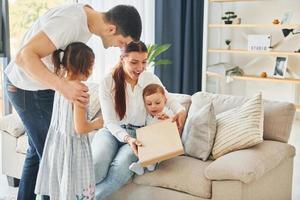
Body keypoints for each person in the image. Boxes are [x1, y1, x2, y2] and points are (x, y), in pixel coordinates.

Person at [5, 3, 142, 200]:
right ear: (111, 29)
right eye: (121, 42)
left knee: (37, 152)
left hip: (43, 86)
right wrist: (63, 86)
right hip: (25, 87)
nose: (119, 48)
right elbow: (23, 56)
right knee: (53, 160)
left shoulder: (87, 18)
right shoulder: (71, 21)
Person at [92, 41, 187, 200]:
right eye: (134, 62)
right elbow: (109, 121)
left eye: (144, 62)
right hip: (111, 132)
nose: (140, 67)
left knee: (119, 172)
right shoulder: (108, 81)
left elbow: (169, 99)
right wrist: (127, 138)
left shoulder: (150, 77)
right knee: (97, 168)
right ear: (123, 59)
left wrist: (181, 110)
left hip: (139, 136)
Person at [34, 42, 102, 200]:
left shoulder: (60, 85)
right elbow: (80, 128)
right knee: (76, 192)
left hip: (58, 147)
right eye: (91, 65)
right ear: (84, 66)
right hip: (75, 151)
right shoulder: (80, 90)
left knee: (62, 191)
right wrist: (98, 123)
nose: (92, 70)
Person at [129, 83, 174, 175]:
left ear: (165, 100)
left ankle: (144, 164)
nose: (153, 106)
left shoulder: (167, 112)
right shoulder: (147, 116)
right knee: (143, 145)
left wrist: (167, 119)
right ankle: (148, 164)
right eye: (149, 104)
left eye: (157, 103)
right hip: (151, 141)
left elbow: (174, 127)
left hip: (165, 142)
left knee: (155, 144)